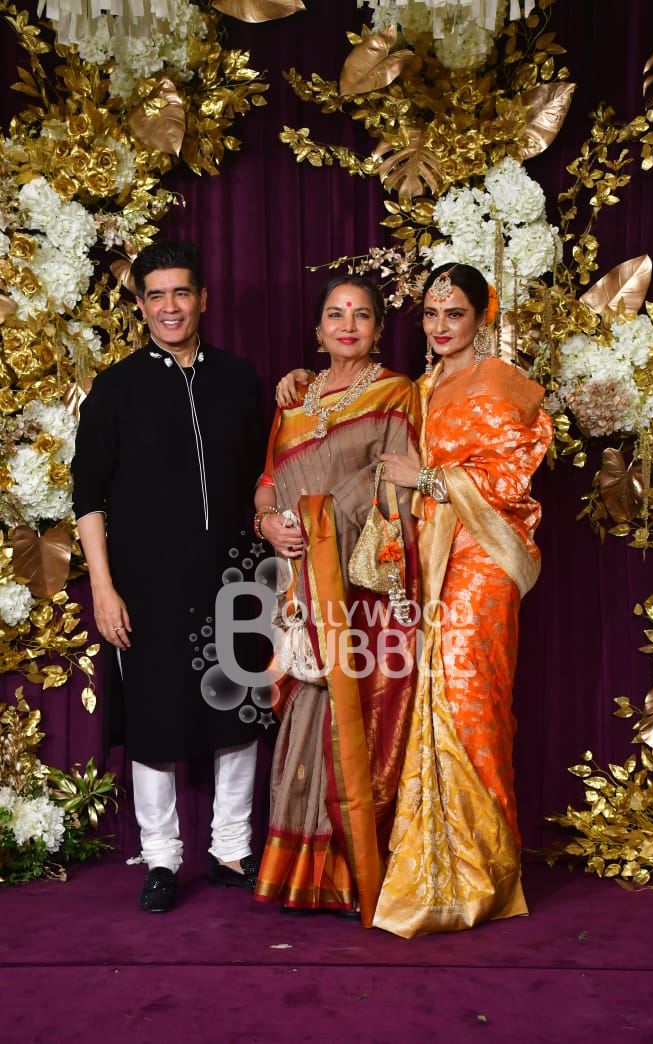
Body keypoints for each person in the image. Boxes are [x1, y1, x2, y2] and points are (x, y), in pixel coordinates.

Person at [276, 263, 552, 937]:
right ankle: (428, 870)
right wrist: (303, 381)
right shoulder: (419, 389)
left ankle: (482, 876)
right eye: (430, 314)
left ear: (482, 317)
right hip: (424, 562)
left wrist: (427, 476)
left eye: (454, 314)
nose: (440, 326)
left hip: (480, 560)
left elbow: (510, 480)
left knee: (469, 700)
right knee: (422, 699)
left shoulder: (500, 382)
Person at [72, 240, 265, 913]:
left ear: (203, 299)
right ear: (142, 306)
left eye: (181, 292)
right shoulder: (116, 388)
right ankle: (161, 857)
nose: (170, 307)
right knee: (153, 720)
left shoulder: (239, 379)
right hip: (144, 587)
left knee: (237, 713)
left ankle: (231, 849)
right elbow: (88, 497)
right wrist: (103, 588)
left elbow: (267, 476)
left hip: (234, 578)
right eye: (156, 296)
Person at [253, 275, 421, 926]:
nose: (347, 326)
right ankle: (299, 869)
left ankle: (351, 872)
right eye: (335, 314)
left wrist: (325, 526)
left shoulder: (395, 392)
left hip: (360, 586)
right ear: (318, 329)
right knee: (305, 709)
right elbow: (269, 481)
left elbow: (397, 484)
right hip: (299, 582)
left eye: (361, 315)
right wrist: (268, 522)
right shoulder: (294, 399)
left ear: (377, 329)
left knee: (353, 714)